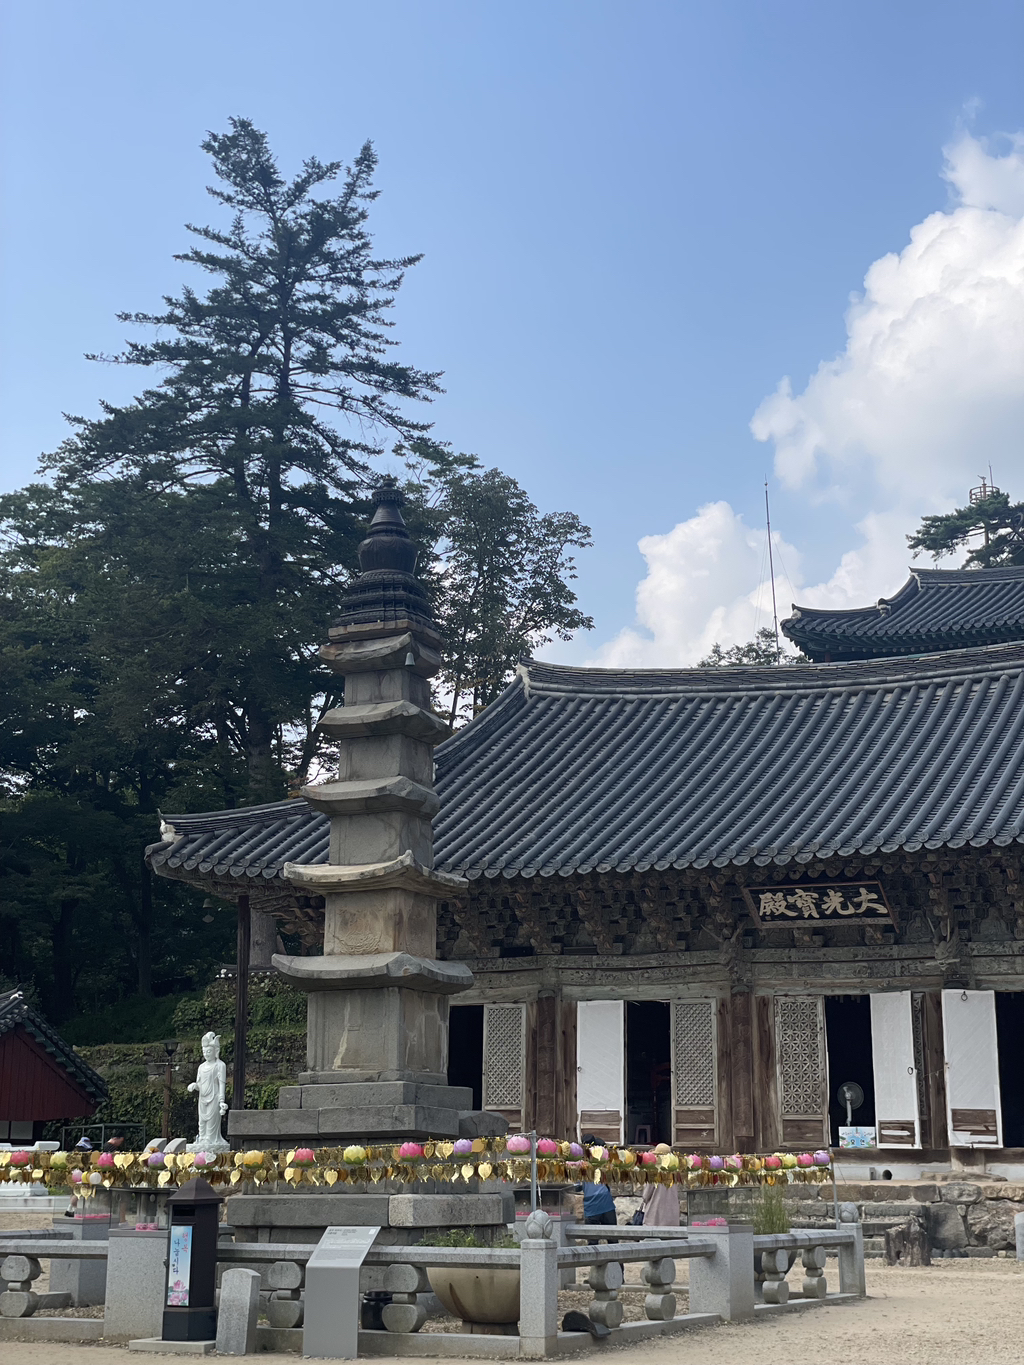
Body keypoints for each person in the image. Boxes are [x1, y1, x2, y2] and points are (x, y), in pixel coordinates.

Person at [640, 1144, 681, 1226]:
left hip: (655, 1217)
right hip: (672, 1217)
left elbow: (646, 1196)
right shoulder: (675, 1173)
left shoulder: (653, 1172)